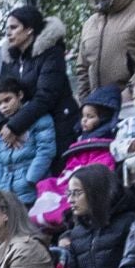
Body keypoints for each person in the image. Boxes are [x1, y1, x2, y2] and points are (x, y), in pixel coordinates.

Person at [28, 86, 121, 231]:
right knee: (47, 184)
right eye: (83, 116)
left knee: (71, 193)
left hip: (88, 176)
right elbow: (72, 163)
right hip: (73, 175)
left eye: (90, 117)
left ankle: (61, 216)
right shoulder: (80, 140)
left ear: (104, 117)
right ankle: (47, 218)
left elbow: (103, 165)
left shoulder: (107, 141)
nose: (84, 121)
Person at [1, 6, 79, 154]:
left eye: (14, 27)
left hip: (60, 125)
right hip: (33, 130)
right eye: (7, 28)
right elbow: (0, 92)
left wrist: (14, 125)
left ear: (29, 29)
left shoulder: (52, 53)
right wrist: (3, 126)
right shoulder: (12, 60)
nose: (8, 33)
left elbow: (46, 95)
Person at [0, 75, 56, 198]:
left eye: (7, 100)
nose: (3, 106)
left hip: (32, 187)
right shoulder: (1, 127)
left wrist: (30, 179)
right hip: (6, 188)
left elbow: (46, 151)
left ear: (20, 95)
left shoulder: (39, 119)